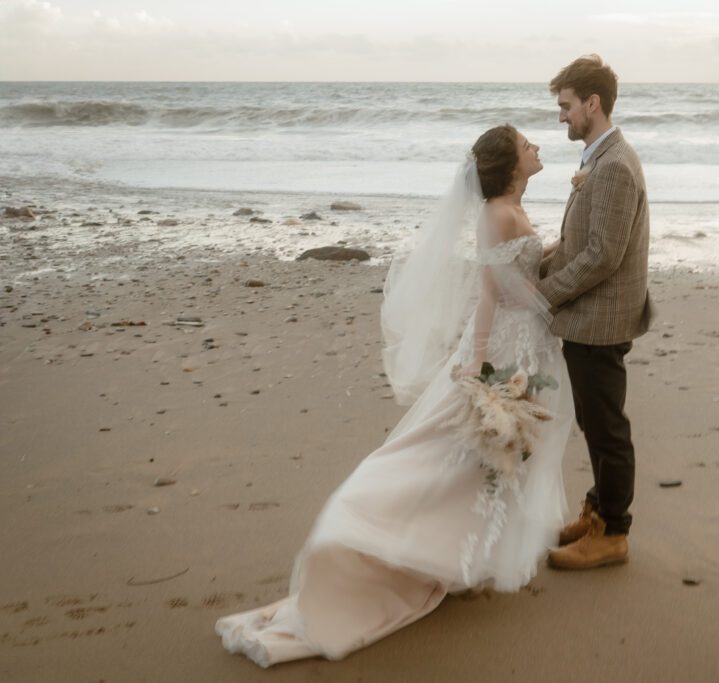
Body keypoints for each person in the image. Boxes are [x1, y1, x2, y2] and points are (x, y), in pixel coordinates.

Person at [215, 124, 573, 667]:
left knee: (491, 459)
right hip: (503, 347)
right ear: (510, 162)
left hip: (524, 347)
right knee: (458, 452)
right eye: (527, 144)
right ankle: (363, 531)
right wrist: (475, 366)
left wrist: (554, 250)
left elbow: (517, 271)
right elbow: (490, 295)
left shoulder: (510, 209)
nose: (537, 147)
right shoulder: (498, 214)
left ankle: (462, 557)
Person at [539, 55, 652, 570]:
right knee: (593, 419)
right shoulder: (599, 160)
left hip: (600, 319)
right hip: (592, 316)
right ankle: (599, 510)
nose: (561, 116)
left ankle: (613, 533)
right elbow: (585, 239)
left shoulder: (615, 167)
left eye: (566, 106)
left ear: (593, 103)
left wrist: (548, 293)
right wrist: (549, 256)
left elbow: (604, 255)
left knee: (606, 426)